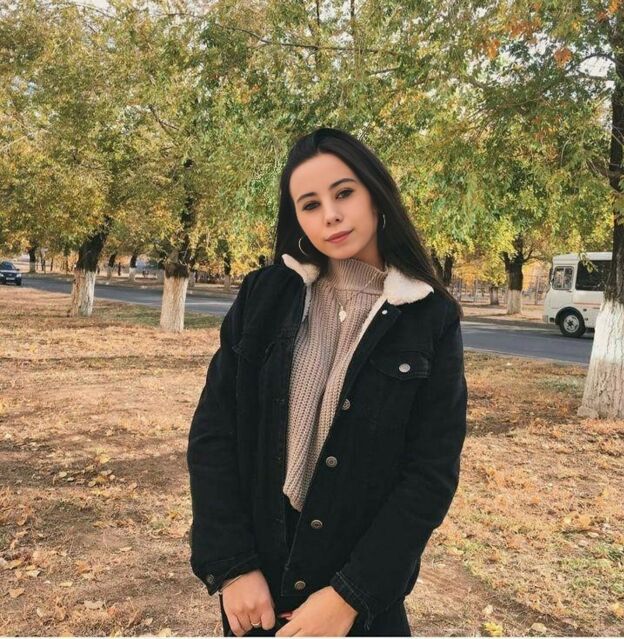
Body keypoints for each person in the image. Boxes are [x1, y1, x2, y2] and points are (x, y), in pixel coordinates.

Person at [187, 127, 468, 637]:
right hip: (257, 590)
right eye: (310, 204)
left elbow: (430, 475)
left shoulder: (429, 317)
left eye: (344, 193)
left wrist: (349, 596)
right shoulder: (265, 296)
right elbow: (214, 433)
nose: (330, 215)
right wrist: (232, 567)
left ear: (375, 195)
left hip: (359, 599)